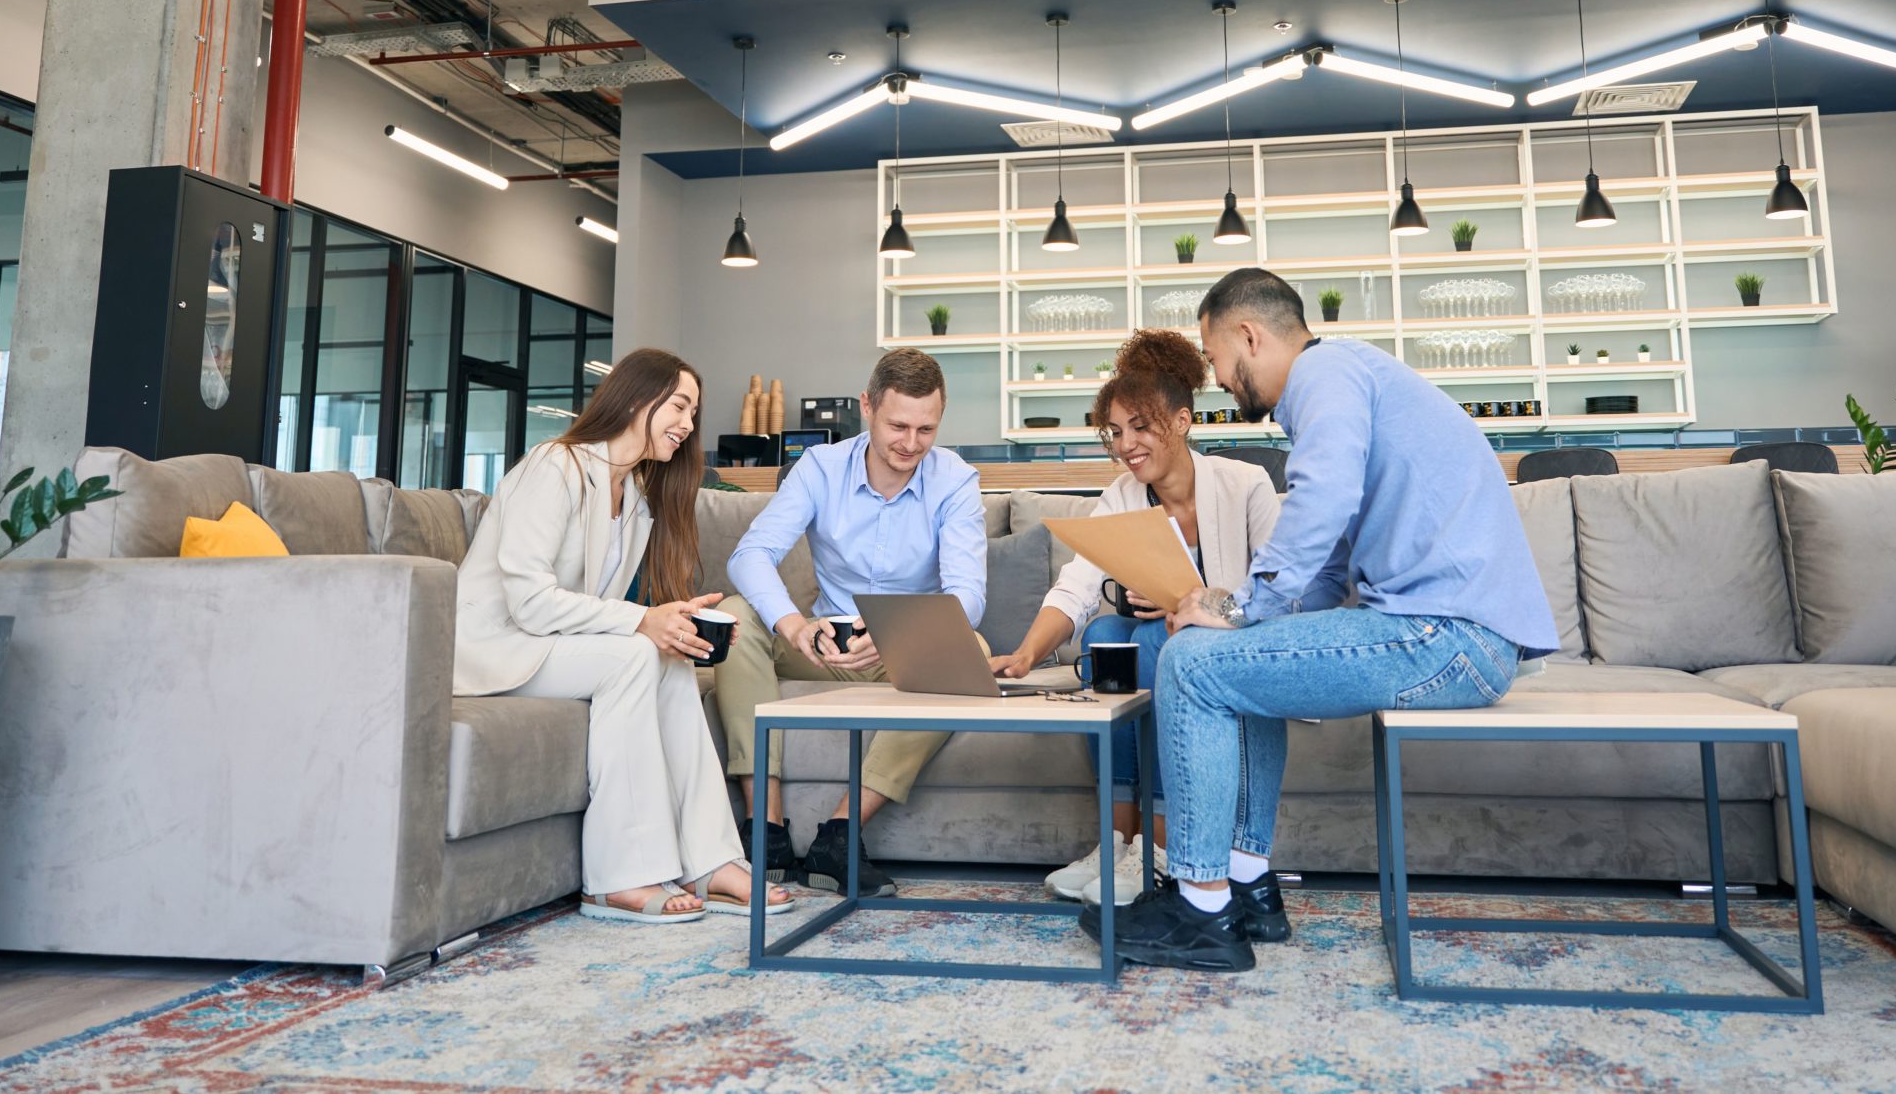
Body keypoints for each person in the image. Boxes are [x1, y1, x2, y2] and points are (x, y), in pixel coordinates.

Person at [1085, 268, 1560, 972]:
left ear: (1249, 335)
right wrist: (1245, 620)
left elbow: (1322, 500)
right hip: (1448, 633)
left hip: (1444, 633)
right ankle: (1248, 884)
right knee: (1238, 654)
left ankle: (1200, 908)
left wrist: (1240, 605)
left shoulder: (1326, 374)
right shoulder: (1353, 379)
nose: (1216, 376)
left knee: (1190, 662)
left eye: (1216, 357)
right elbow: (1330, 567)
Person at [452, 348, 792, 925]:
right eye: (679, 406)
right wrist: (642, 622)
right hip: (495, 648)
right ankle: (618, 877)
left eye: (692, 412)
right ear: (636, 399)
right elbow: (530, 600)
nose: (688, 425)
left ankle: (710, 861)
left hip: (548, 644)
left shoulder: (632, 496)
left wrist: (668, 617)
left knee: (670, 658)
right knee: (637, 652)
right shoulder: (553, 466)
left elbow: (598, 606)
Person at [986, 329, 1281, 902]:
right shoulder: (1123, 493)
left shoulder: (1245, 484)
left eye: (1141, 427)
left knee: (1149, 640)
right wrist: (1026, 654)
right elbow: (1075, 587)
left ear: (1181, 421)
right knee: (1103, 636)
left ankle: (1164, 845)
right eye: (1116, 432)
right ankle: (1119, 840)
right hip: (1157, 644)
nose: (1126, 445)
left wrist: (1192, 599)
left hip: (1230, 646)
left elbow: (1277, 588)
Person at [717, 348, 988, 898]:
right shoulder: (820, 468)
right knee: (734, 615)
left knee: (973, 649)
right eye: (897, 425)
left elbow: (968, 595)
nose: (910, 444)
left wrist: (900, 637)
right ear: (867, 407)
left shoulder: (956, 481)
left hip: (903, 657)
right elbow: (750, 556)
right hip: (821, 646)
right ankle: (764, 833)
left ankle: (839, 837)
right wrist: (793, 626)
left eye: (926, 429)